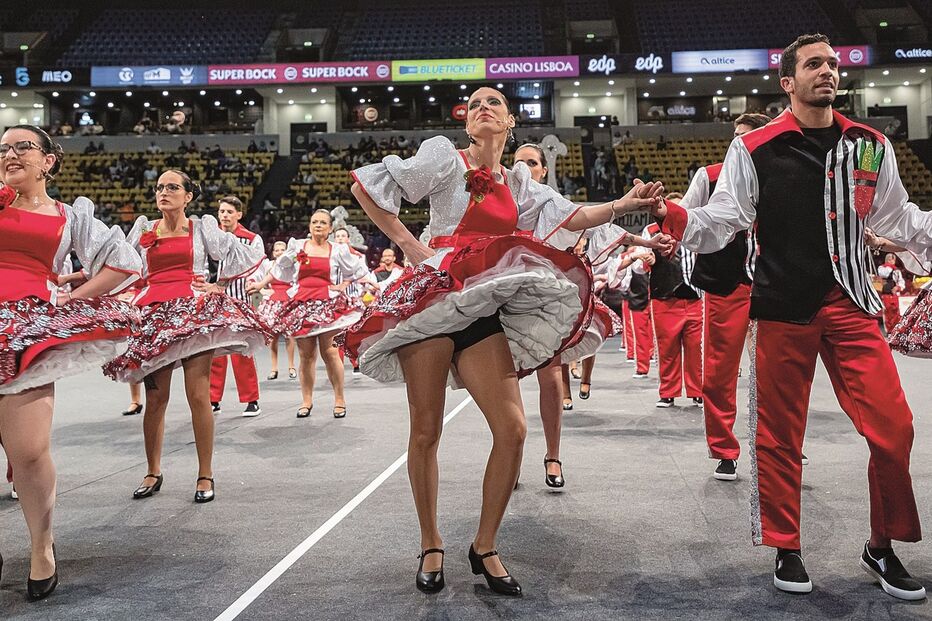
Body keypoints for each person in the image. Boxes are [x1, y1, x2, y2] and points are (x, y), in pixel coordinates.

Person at [344, 86, 669, 596]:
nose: (483, 108)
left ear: (511, 121)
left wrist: (624, 205)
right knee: (426, 430)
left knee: (514, 429)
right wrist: (409, 243)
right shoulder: (442, 157)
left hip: (484, 303)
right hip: (432, 298)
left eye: (493, 102)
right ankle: (431, 542)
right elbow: (368, 187)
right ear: (467, 124)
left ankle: (485, 544)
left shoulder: (520, 181)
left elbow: (572, 216)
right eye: (474, 105)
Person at [645, 34, 931, 599]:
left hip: (853, 304)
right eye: (814, 64)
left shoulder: (872, 145)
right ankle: (786, 545)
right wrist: (673, 216)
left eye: (833, 63)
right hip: (781, 305)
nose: (828, 70)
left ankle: (881, 545)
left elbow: (902, 219)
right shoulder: (754, 147)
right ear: (788, 82)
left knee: (894, 431)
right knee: (779, 434)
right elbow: (721, 219)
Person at [0, 124, 142, 600]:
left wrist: (71, 300)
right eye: (4, 148)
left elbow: (123, 263)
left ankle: (42, 546)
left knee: (30, 451)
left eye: (23, 146)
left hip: (25, 334)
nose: (11, 153)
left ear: (48, 161)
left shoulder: (68, 216)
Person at [104, 171, 269, 505]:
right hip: (153, 313)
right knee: (156, 398)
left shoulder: (201, 226)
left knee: (198, 395)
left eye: (172, 187)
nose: (164, 192)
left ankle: (205, 473)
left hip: (193, 313)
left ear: (188, 195)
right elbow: (123, 265)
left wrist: (219, 285)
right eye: (160, 187)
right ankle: (153, 470)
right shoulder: (144, 228)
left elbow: (236, 252)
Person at [673, 112, 770, 478]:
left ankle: (782, 443)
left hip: (772, 284)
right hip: (725, 284)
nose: (740, 143)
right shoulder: (709, 176)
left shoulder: (780, 175)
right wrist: (668, 221)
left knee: (778, 371)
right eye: (736, 136)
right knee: (718, 371)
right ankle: (724, 449)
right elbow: (685, 212)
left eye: (748, 136)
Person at [250, 210, 371, 419]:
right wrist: (261, 284)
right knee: (306, 356)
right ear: (309, 226)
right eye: (314, 222)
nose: (318, 225)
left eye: (323, 223)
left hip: (328, 304)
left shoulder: (338, 250)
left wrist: (344, 284)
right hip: (302, 304)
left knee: (331, 353)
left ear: (330, 228)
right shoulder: (297, 246)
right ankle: (306, 401)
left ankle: (340, 399)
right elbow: (279, 268)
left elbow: (358, 269)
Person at [209, 196, 264, 417]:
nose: (224, 215)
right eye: (221, 211)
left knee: (243, 351)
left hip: (241, 301)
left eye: (229, 211)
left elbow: (259, 266)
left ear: (239, 215)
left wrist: (255, 284)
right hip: (215, 302)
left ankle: (251, 400)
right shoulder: (212, 239)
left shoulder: (251, 239)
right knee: (213, 352)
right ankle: (213, 399)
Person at [256, 241, 297, 380]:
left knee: (289, 336)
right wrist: (263, 291)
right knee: (272, 337)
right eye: (277, 250)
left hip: (288, 300)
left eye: (282, 249)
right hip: (272, 301)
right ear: (273, 253)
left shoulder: (292, 265)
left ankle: (291, 366)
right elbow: (257, 279)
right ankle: (274, 368)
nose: (279, 252)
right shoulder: (268, 265)